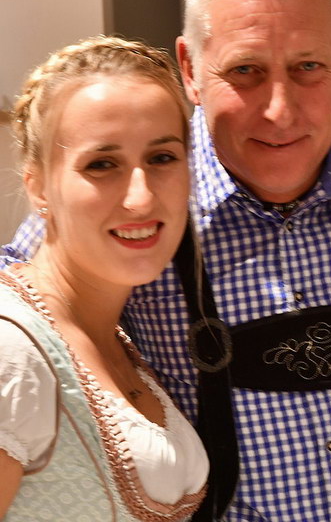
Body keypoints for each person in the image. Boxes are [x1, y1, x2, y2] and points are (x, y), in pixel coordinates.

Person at [2, 0, 331, 521]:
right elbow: (32, 296)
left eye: (308, 67)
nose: (279, 110)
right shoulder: (145, 198)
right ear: (191, 68)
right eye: (245, 70)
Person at [0, 36, 209, 520]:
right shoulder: (12, 350)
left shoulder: (113, 339)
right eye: (102, 165)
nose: (141, 197)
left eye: (162, 158)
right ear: (39, 187)